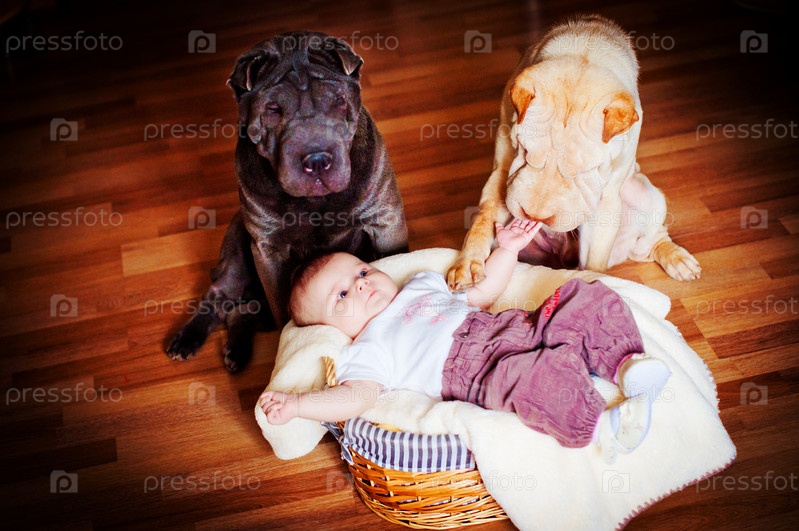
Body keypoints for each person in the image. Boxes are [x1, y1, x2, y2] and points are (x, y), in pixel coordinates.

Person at [259, 218, 670, 462]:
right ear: (331, 327)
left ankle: (626, 365)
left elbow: (483, 293)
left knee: (583, 296)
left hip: (513, 326)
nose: (362, 285)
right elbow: (356, 398)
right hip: (477, 372)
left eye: (362, 272)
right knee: (534, 378)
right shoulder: (365, 349)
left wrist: (507, 250)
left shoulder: (419, 285)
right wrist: (298, 405)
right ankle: (602, 425)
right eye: (343, 295)